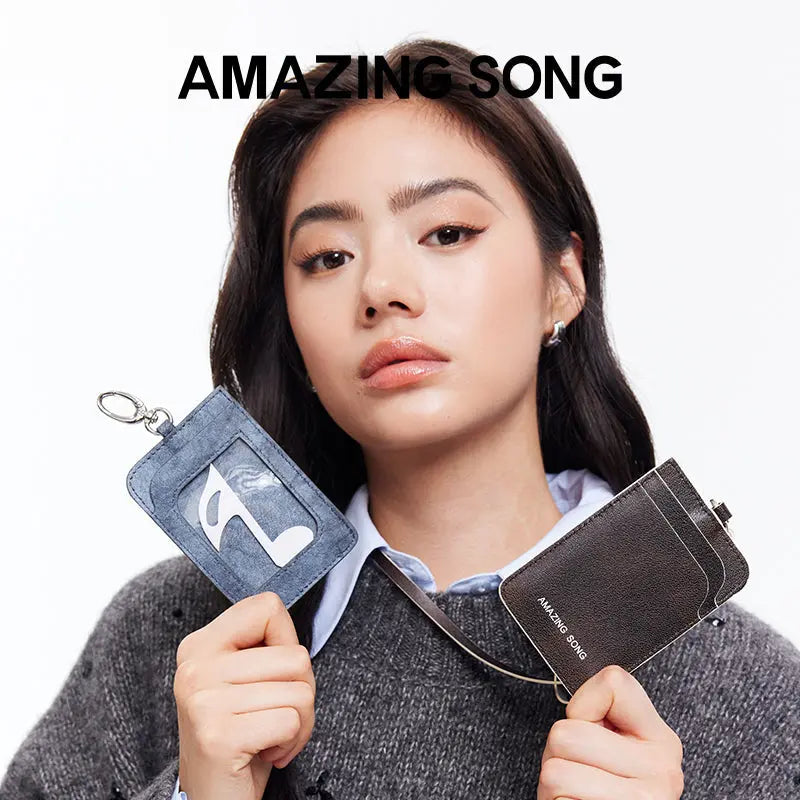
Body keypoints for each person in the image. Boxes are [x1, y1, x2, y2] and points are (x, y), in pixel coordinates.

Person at [2, 37, 799, 800]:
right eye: (327, 257)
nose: (382, 287)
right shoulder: (174, 635)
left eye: (447, 233)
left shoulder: (755, 692)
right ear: (293, 330)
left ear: (562, 282)